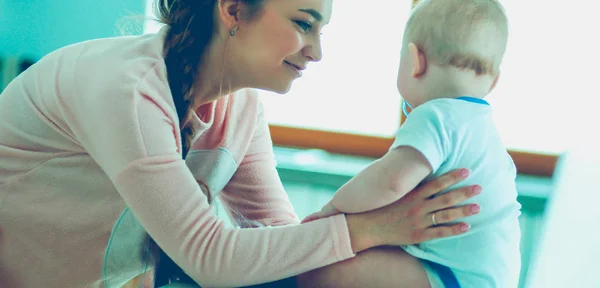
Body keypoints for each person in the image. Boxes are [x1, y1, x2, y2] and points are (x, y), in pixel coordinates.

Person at [0, 0, 483, 287]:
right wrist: (373, 226)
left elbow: (276, 236)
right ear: (232, 10)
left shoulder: (241, 109)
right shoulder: (130, 91)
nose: (317, 51)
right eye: (303, 23)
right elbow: (209, 256)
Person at [302, 0, 522, 287]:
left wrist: (334, 208)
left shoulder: (436, 115)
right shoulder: (485, 133)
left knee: (323, 273)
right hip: (486, 277)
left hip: (449, 275)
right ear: (493, 83)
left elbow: (390, 181)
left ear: (415, 60)